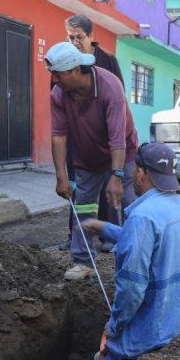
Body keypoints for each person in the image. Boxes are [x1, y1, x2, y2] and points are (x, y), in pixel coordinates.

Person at [81, 143, 180, 360]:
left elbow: (131, 291)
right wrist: (105, 228)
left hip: (159, 335)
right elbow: (153, 244)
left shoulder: (142, 218)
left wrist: (113, 328)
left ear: (140, 173)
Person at [47, 41, 137, 281]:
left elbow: (117, 138)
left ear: (76, 70)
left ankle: (135, 258)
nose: (54, 79)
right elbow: (58, 135)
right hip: (87, 156)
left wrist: (116, 176)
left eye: (58, 74)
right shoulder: (59, 95)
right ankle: (83, 260)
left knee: (128, 204)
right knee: (84, 204)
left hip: (122, 152)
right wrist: (61, 177)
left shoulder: (109, 87)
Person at [64, 14, 124, 253]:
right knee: (77, 188)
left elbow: (119, 103)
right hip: (78, 138)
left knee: (112, 187)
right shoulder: (63, 62)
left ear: (91, 36)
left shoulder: (108, 61)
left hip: (107, 138)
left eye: (79, 37)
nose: (75, 42)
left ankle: (111, 237)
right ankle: (75, 237)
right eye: (70, 37)